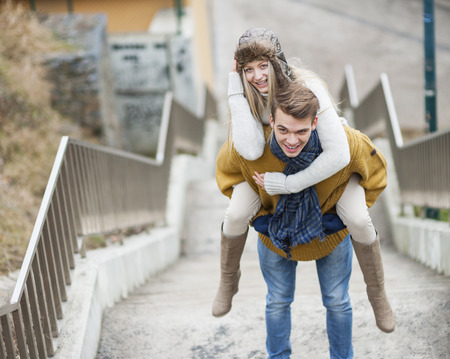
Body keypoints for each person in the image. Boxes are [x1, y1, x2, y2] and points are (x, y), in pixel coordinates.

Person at [212, 28, 395, 334]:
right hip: (267, 165)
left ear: (276, 62)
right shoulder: (246, 92)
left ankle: (378, 296)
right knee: (235, 215)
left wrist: (290, 184)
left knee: (360, 220)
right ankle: (228, 280)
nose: (256, 76)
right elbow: (250, 148)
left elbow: (338, 155)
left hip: (327, 167)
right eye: (247, 69)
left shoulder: (307, 86)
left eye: (262, 65)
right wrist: (235, 87)